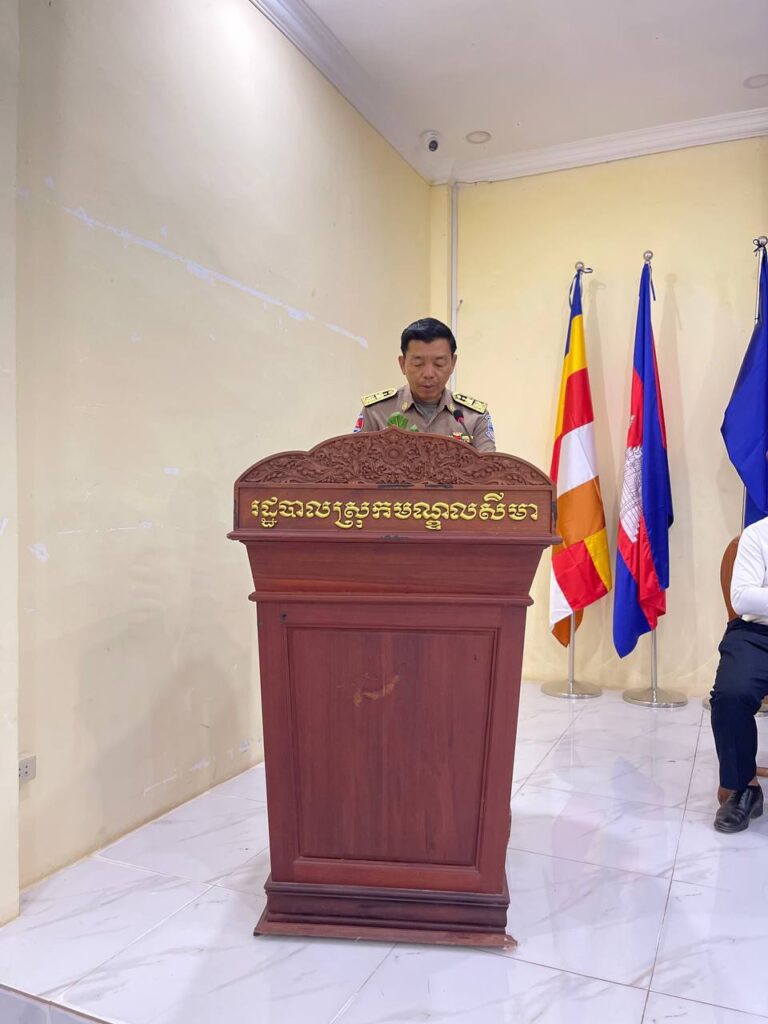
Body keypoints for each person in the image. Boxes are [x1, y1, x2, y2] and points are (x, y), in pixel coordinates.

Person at [354, 317, 496, 452]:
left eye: (439, 363)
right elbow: (354, 463)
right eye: (418, 363)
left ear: (452, 363)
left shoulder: (473, 417)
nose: (428, 373)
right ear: (402, 364)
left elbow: (488, 467)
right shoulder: (376, 412)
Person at [710, 517, 768, 833]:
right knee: (731, 695)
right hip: (756, 633)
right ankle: (743, 788)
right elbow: (743, 597)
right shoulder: (757, 535)